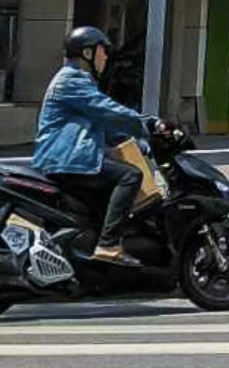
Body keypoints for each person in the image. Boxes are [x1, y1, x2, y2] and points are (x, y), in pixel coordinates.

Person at [33, 26, 150, 262]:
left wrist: (134, 140)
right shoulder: (72, 80)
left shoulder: (76, 80)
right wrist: (147, 124)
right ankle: (108, 245)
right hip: (67, 160)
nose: (106, 56)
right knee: (129, 176)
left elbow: (101, 122)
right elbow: (106, 109)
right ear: (87, 53)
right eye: (102, 51)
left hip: (69, 156)